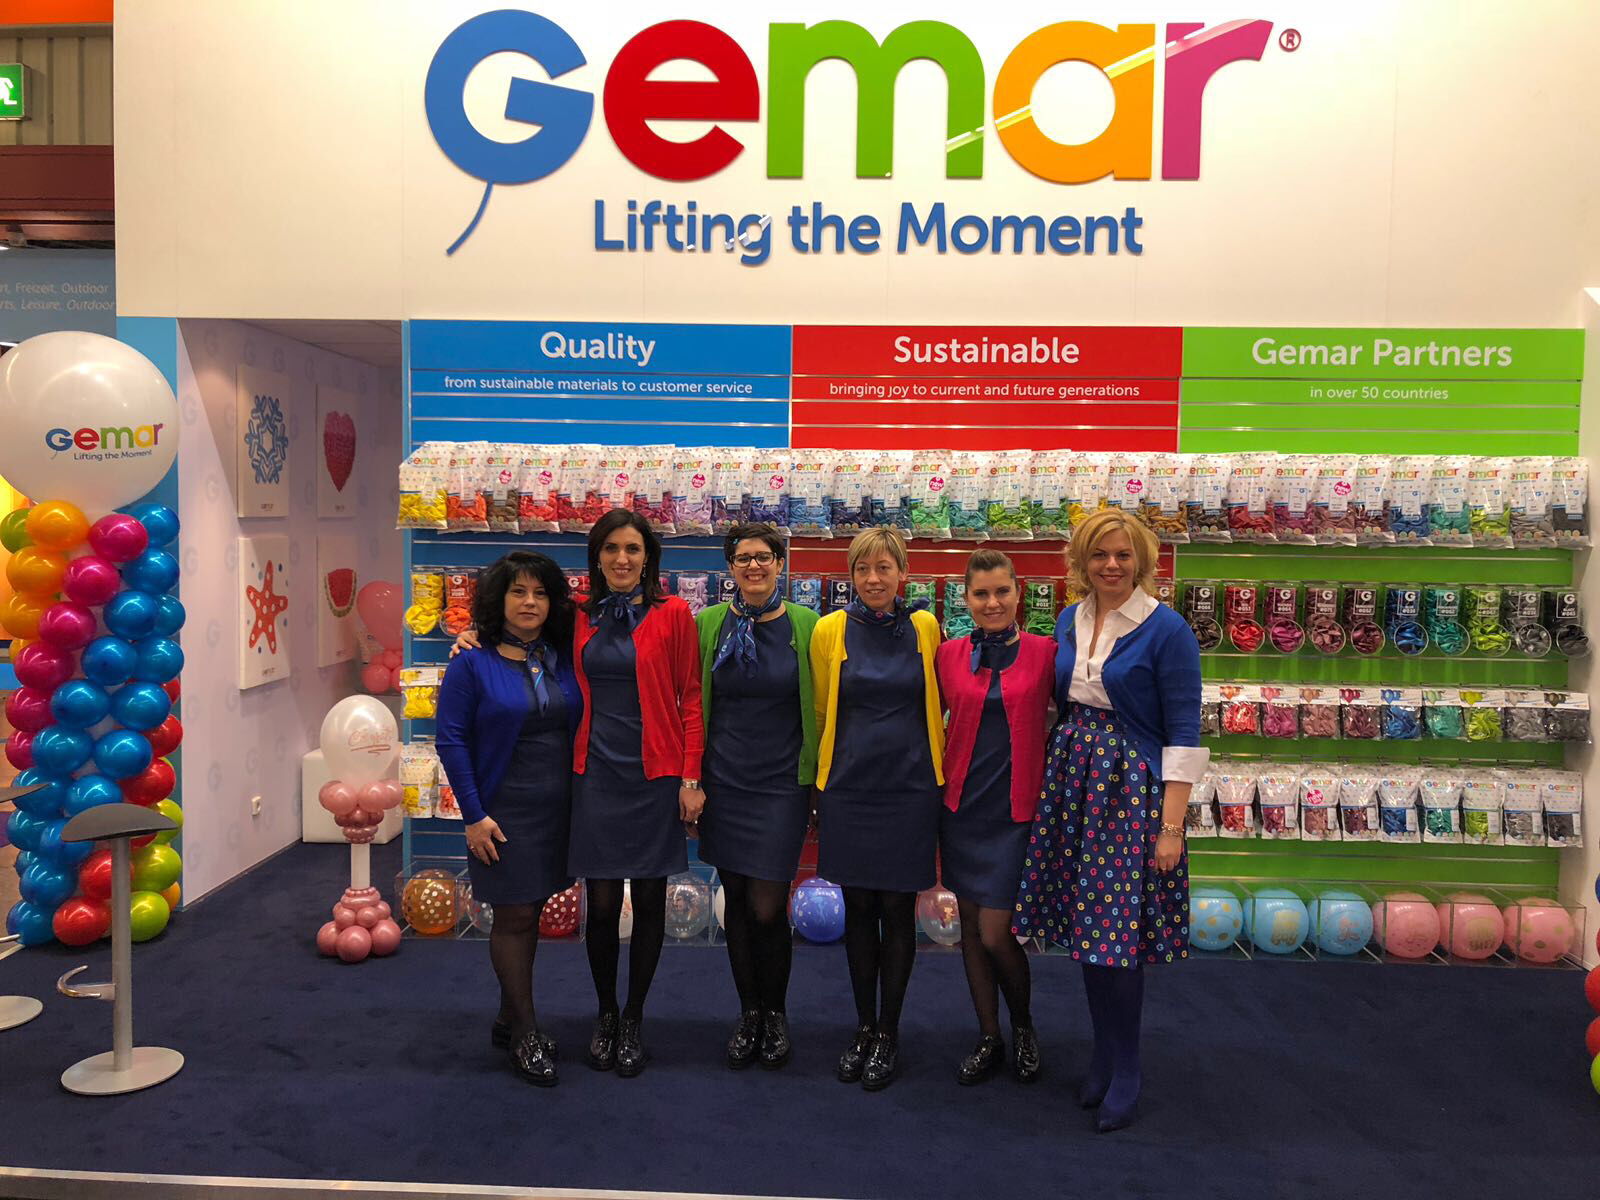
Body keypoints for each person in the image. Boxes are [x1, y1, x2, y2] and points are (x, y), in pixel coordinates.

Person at [1013, 508, 1206, 1133]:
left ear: (1143, 561)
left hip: (1128, 791)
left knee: (1117, 938)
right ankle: (1101, 1052)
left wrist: (1170, 828)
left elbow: (1183, 733)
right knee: (1090, 933)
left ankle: (1126, 1066)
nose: (1112, 565)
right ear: (1081, 562)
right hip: (1073, 780)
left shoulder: (1167, 630)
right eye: (1099, 555)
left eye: (1124, 555)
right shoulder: (1070, 618)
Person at [434, 551, 582, 1087]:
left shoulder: (563, 654)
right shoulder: (471, 661)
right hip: (502, 809)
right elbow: (451, 740)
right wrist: (473, 815)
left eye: (540, 593)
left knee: (531, 909)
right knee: (515, 915)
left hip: (557, 807)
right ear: (498, 600)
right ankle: (525, 1034)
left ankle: (506, 1016)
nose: (529, 602)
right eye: (518, 592)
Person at [570, 508, 704, 1077]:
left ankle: (634, 1017)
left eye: (632, 548)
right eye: (611, 549)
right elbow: (517, 635)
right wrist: (472, 636)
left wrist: (691, 778)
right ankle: (605, 1012)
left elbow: (691, 698)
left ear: (648, 557)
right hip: (595, 775)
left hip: (655, 776)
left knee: (649, 901)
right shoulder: (577, 616)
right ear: (597, 557)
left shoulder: (674, 614)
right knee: (601, 903)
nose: (622, 559)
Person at [809, 525, 944, 1091]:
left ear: (902, 573)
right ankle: (864, 1026)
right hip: (848, 788)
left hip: (911, 789)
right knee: (859, 910)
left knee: (898, 910)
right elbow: (822, 710)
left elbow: (938, 701)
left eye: (884, 567)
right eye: (862, 569)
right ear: (851, 576)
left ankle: (889, 1031)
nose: (873, 578)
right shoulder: (830, 629)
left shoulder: (926, 626)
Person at [695, 522, 819, 1070]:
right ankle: (750, 1014)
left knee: (768, 907)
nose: (754, 566)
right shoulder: (707, 624)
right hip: (724, 782)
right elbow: (687, 699)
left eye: (764, 556)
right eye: (743, 557)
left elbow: (826, 700)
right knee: (738, 905)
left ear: (779, 564)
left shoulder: (807, 624)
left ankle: (777, 1012)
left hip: (781, 785)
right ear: (730, 567)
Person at [934, 548, 1054, 1087]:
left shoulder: (1047, 653)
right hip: (962, 809)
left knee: (996, 932)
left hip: (1016, 813)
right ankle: (989, 1036)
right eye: (980, 594)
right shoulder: (948, 655)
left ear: (1018, 592)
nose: (992, 602)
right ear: (966, 599)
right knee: (968, 928)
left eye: (1002, 591)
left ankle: (1023, 1026)